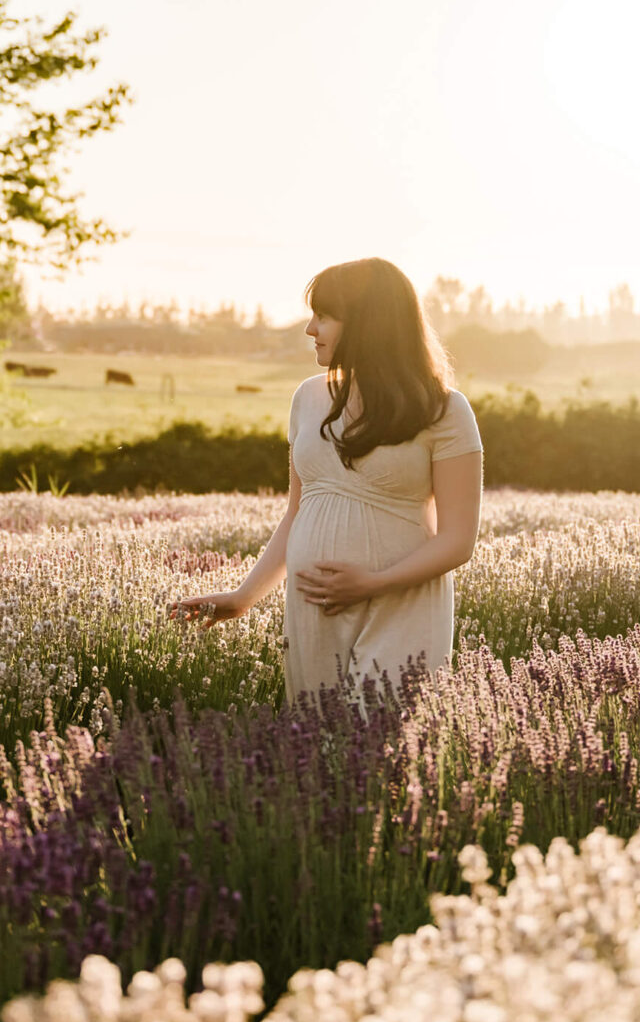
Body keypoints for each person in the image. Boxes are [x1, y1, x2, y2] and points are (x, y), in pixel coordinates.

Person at [169, 257, 484, 699]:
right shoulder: (308, 398)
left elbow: (458, 541)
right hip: (315, 609)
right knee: (323, 747)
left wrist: (372, 583)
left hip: (402, 606)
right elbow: (298, 512)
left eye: (323, 316)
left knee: (385, 743)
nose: (309, 329)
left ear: (366, 323)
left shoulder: (445, 411)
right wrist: (243, 597)